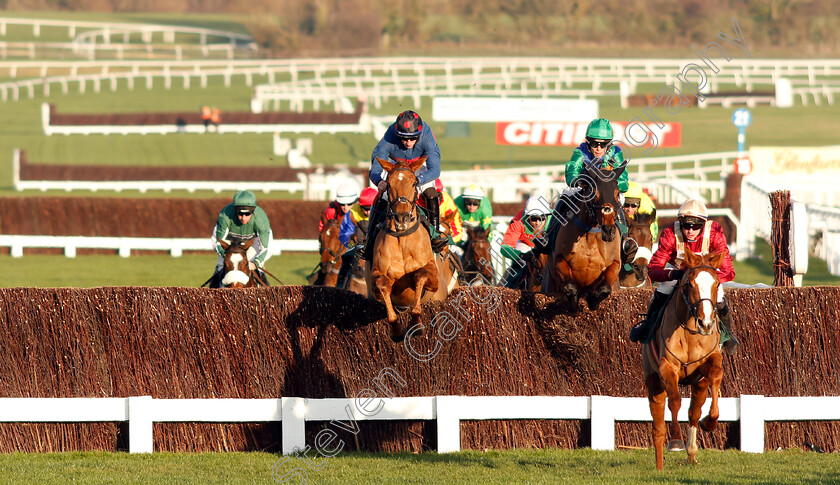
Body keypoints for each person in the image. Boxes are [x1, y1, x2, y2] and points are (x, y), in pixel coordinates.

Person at [628, 199, 739, 355]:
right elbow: (653, 269)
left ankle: (728, 333)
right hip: (679, 271)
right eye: (686, 226)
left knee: (719, 295)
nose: (690, 231)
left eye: (696, 226)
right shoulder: (670, 233)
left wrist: (704, 280)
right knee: (664, 287)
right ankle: (648, 325)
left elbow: (729, 271)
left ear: (703, 225)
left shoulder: (714, 232)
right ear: (681, 224)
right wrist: (677, 274)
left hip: (706, 276)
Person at [357, 110, 448, 260]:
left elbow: (435, 170)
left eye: (413, 138)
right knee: (382, 198)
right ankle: (369, 241)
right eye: (404, 139)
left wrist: (417, 180)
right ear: (397, 133)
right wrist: (379, 182)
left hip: (419, 168)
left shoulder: (427, 136)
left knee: (431, 194)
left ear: (419, 134)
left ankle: (435, 234)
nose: (408, 143)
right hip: (396, 167)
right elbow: (376, 166)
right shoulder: (389, 136)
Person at [562, 118, 637, 266]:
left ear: (609, 145)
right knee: (565, 196)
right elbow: (571, 176)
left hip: (607, 195)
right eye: (594, 143)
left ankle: (625, 242)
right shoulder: (580, 152)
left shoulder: (616, 153)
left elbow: (623, 183)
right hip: (585, 192)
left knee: (619, 200)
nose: (598, 148)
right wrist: (583, 182)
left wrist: (606, 181)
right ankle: (548, 237)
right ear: (588, 143)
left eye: (602, 145)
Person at [208, 190, 273, 288]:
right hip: (229, 242)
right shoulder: (225, 216)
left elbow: (266, 249)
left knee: (258, 268)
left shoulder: (261, 220)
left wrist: (255, 263)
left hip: (252, 242)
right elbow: (216, 242)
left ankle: (267, 295)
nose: (243, 218)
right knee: (221, 267)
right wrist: (225, 255)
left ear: (253, 211)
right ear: (235, 211)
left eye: (247, 214)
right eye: (240, 214)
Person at [500, 195, 552, 288]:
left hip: (548, 249)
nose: (537, 222)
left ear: (547, 216)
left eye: (542, 218)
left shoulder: (555, 219)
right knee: (518, 267)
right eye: (534, 218)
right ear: (528, 217)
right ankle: (509, 289)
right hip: (526, 246)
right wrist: (521, 255)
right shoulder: (518, 220)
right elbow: (504, 248)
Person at [335, 186, 377, 288]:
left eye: (369, 209)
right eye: (364, 209)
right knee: (346, 258)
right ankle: (340, 287)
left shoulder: (382, 211)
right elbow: (344, 234)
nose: (367, 212)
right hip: (359, 245)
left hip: (377, 245)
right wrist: (352, 245)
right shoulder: (352, 213)